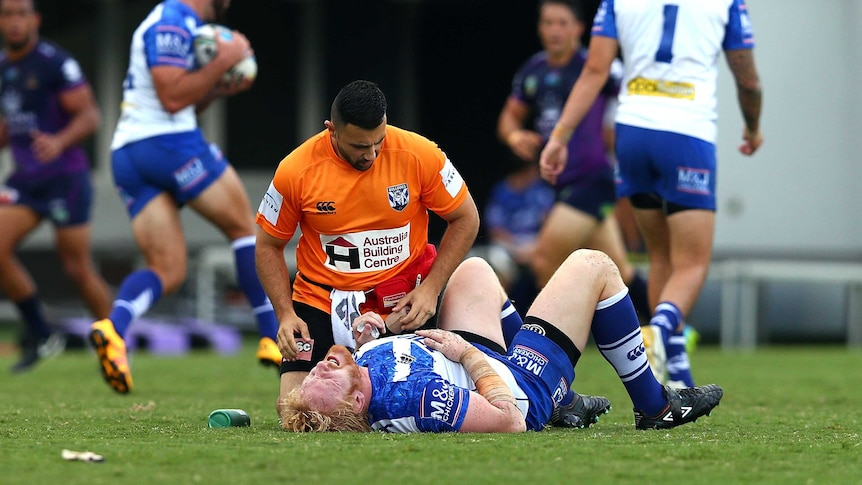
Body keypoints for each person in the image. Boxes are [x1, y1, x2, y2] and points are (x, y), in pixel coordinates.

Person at [540, 0, 763, 387]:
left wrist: (559, 137)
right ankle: (658, 330)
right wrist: (753, 126)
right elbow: (747, 79)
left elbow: (595, 70)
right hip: (686, 134)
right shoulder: (727, 3)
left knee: (660, 255)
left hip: (633, 136)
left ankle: (672, 366)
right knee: (692, 262)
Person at [278, 249, 723, 433]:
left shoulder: (362, 381)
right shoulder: (416, 398)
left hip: (459, 358)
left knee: (473, 270)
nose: (321, 366)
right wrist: (467, 353)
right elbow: (507, 419)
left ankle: (566, 401)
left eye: (318, 370)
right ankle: (656, 406)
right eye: (328, 378)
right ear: (357, 403)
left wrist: (376, 331)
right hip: (513, 386)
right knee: (595, 265)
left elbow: (360, 362)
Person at [255, 79, 481, 414]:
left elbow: (467, 218)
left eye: (378, 141)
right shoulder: (295, 170)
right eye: (360, 146)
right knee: (294, 410)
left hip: (401, 300)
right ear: (331, 130)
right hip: (320, 299)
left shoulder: (420, 154)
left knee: (410, 403)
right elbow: (267, 246)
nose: (372, 154)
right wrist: (286, 314)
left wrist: (431, 289)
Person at [89, 0, 281, 394]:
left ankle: (113, 328)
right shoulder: (173, 20)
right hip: (167, 145)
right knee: (245, 229)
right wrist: (223, 59)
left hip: (131, 154)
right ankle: (271, 336)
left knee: (168, 269)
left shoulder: (180, 23)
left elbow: (183, 97)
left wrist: (218, 85)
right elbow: (173, 98)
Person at [497, 0, 651, 321]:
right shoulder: (534, 71)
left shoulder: (597, 67)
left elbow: (635, 102)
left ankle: (528, 342)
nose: (554, 31)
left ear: (580, 28)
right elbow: (508, 119)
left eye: (562, 23)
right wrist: (514, 137)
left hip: (593, 179)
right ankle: (669, 328)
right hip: (561, 184)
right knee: (620, 271)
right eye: (548, 23)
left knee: (543, 261)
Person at [0, 0, 112, 373]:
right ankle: (42, 333)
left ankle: (116, 343)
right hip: (26, 182)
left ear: (35, 20)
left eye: (20, 14)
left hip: (65, 177)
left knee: (77, 268)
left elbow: (90, 115)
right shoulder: (4, 68)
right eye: (6, 13)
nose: (14, 22)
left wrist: (58, 141)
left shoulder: (53, 62)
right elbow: (9, 126)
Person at [482, 158, 554, 309]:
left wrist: (534, 247)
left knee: (548, 261)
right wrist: (516, 249)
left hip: (535, 242)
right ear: (525, 170)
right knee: (497, 264)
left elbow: (550, 225)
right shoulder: (502, 190)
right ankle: (500, 316)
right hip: (508, 245)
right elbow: (495, 231)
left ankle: (546, 314)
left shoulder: (541, 191)